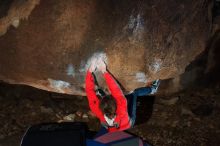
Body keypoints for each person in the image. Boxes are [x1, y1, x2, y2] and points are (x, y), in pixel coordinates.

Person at [85, 59, 160, 132]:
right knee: (133, 93)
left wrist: (89, 72)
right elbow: (115, 88)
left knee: (101, 92)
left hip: (113, 126)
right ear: (115, 103)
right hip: (128, 122)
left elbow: (89, 90)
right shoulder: (122, 104)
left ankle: (102, 93)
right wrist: (104, 71)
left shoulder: (95, 108)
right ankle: (153, 89)